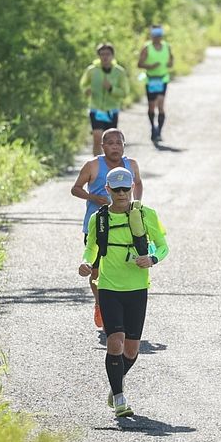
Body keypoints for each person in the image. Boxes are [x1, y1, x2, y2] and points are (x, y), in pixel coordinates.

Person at [78, 166, 168, 418]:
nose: (120, 193)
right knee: (114, 341)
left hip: (137, 288)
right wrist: (86, 263)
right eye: (115, 189)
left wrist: (152, 259)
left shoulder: (146, 214)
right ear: (107, 189)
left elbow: (163, 246)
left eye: (124, 189)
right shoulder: (100, 218)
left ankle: (115, 383)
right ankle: (119, 398)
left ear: (131, 188)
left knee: (131, 349)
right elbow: (91, 248)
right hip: (108, 286)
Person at [71, 128, 143, 329]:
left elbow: (137, 183)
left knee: (122, 266)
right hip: (98, 225)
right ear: (103, 147)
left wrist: (137, 204)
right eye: (110, 143)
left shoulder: (132, 165)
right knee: (96, 270)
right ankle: (100, 303)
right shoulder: (93, 165)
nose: (115, 147)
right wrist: (93, 197)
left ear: (124, 145)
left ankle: (117, 307)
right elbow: (75, 188)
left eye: (119, 143)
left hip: (126, 225)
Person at [80, 42, 131, 156]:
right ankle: (96, 167)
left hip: (111, 110)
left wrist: (111, 89)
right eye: (102, 54)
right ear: (98, 56)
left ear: (112, 56)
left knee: (109, 142)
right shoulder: (92, 70)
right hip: (96, 108)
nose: (105, 57)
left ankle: (108, 167)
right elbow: (83, 84)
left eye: (108, 54)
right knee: (97, 137)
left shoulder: (119, 72)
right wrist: (86, 90)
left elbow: (125, 92)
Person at [137, 25, 174, 142]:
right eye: (155, 36)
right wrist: (151, 66)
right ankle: (153, 127)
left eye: (159, 36)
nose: (157, 38)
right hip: (151, 80)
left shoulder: (167, 47)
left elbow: (171, 61)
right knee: (151, 106)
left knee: (161, 105)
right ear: (151, 36)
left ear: (161, 36)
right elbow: (139, 64)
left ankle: (159, 132)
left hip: (162, 79)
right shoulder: (146, 48)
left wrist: (170, 63)